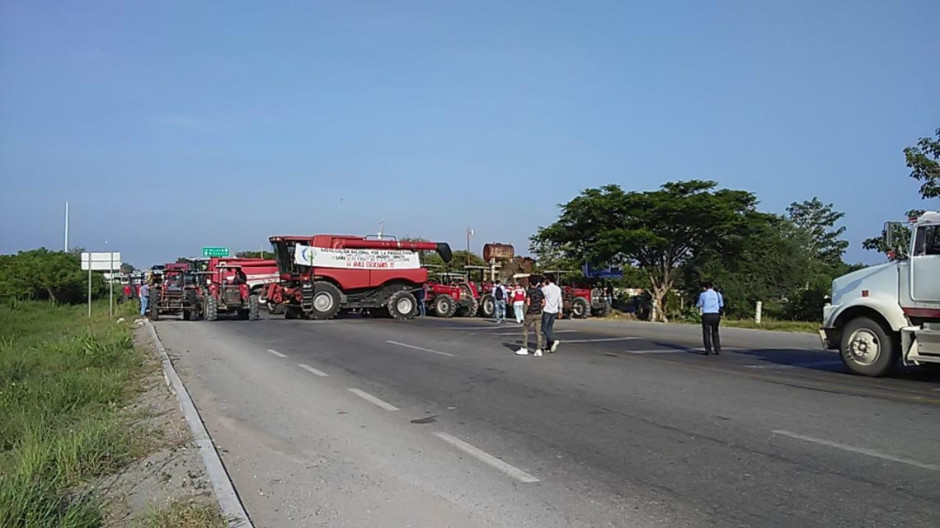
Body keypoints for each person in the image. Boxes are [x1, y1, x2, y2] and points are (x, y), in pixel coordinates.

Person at [517, 277, 545, 356]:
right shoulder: (540, 292)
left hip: (530, 313)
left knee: (525, 330)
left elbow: (528, 303)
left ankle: (524, 348)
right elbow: (544, 303)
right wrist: (538, 306)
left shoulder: (529, 292)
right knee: (538, 332)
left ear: (530, 283)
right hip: (538, 313)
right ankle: (538, 349)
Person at [696, 280, 724, 355]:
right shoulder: (718, 294)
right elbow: (721, 305)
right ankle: (717, 349)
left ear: (705, 287)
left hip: (706, 314)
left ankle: (708, 349)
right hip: (716, 314)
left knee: (706, 332)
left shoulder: (703, 294)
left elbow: (698, 304)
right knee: (715, 331)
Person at [541, 275, 563, 353]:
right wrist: (560, 310)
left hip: (547, 310)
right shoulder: (558, 289)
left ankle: (552, 340)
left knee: (544, 328)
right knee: (549, 328)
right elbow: (560, 300)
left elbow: (541, 296)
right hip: (555, 310)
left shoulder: (545, 289)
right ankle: (548, 346)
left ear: (547, 280)